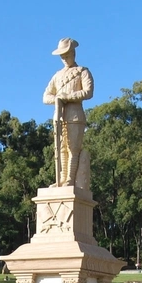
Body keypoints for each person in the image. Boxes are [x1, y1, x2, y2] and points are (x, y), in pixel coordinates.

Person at [42, 37, 94, 189]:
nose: (64, 58)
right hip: (59, 115)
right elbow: (46, 96)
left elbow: (88, 92)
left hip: (75, 115)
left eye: (67, 55)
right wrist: (57, 99)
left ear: (73, 53)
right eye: (62, 56)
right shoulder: (57, 75)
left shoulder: (82, 72)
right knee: (61, 149)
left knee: (73, 148)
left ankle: (70, 179)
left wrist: (68, 97)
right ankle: (61, 179)